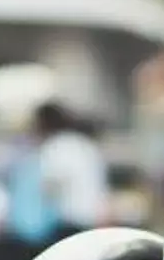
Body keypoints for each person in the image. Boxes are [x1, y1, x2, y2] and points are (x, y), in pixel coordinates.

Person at [32, 101, 111, 237]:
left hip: (69, 222)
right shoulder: (86, 144)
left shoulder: (54, 147)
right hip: (95, 220)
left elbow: (51, 188)